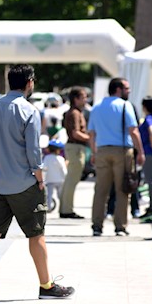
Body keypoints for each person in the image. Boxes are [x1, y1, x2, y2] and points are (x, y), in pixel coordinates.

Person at [0, 64, 74, 302]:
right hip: (24, 184)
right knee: (36, 234)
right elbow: (33, 151)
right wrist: (40, 178)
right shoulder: (29, 110)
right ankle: (46, 285)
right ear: (29, 82)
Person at [88, 78, 145, 237]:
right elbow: (133, 131)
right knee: (122, 189)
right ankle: (120, 226)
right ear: (118, 89)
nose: (129, 91)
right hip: (122, 150)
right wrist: (140, 151)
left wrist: (93, 152)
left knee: (101, 190)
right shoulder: (125, 105)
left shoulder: (97, 106)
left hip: (102, 151)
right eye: (127, 88)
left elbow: (91, 134)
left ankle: (97, 226)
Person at [60, 87, 89, 219]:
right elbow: (75, 133)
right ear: (76, 99)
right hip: (76, 148)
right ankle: (67, 210)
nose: (85, 100)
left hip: (75, 147)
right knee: (72, 180)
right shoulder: (75, 113)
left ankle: (65, 208)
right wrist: (91, 139)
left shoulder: (75, 112)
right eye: (83, 97)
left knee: (71, 180)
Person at [43, 140, 67, 212]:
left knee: (49, 195)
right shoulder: (61, 158)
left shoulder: (47, 158)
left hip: (50, 179)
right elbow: (64, 170)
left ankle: (49, 208)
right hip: (60, 180)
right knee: (61, 195)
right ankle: (63, 208)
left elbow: (44, 168)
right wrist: (65, 177)